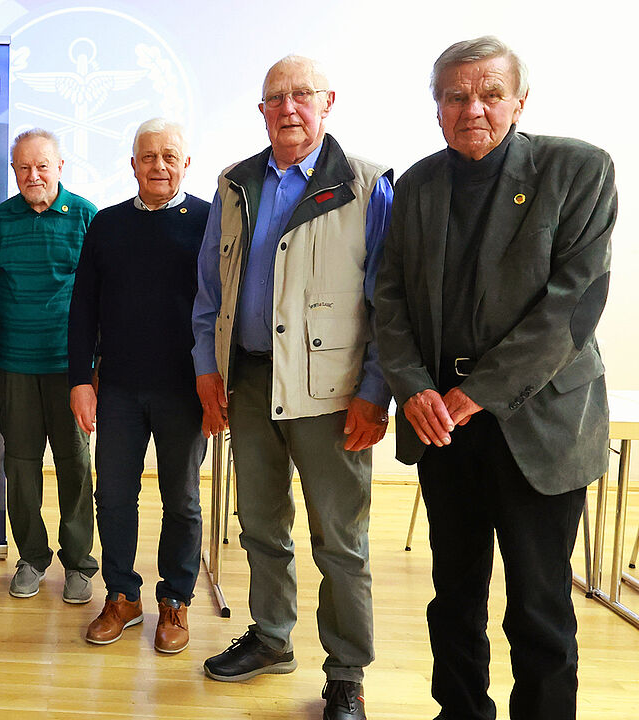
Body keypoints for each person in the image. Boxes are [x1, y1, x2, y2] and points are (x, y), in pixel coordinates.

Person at [375, 36, 615, 720]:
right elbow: (389, 299)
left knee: (538, 607)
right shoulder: (416, 185)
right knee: (454, 599)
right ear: (437, 106)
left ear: (520, 101)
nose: (472, 109)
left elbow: (572, 306)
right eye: (455, 96)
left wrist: (475, 393)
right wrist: (413, 386)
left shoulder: (578, 169)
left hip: (538, 425)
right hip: (441, 425)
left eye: (489, 94)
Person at [193, 56, 392, 720]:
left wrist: (375, 389)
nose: (288, 108)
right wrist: (206, 366)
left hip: (332, 393)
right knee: (259, 523)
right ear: (261, 111)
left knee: (339, 539)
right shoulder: (235, 184)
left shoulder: (365, 185)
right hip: (248, 383)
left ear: (328, 102)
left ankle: (347, 673)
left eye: (302, 94)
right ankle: (272, 638)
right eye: (275, 98)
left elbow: (388, 300)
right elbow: (210, 288)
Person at [67, 118, 208, 654]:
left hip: (185, 390)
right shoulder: (106, 225)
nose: (159, 166)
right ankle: (123, 596)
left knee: (183, 500)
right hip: (119, 388)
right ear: (132, 165)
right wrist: (80, 380)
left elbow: (224, 310)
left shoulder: (209, 222)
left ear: (186, 163)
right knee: (113, 497)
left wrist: (220, 386)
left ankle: (176, 600)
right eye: (148, 157)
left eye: (169, 156)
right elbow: (83, 309)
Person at [0, 129, 99, 603]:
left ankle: (79, 563)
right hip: (13, 366)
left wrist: (94, 371)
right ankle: (31, 557)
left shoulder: (86, 216)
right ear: (14, 171)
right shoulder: (0, 221)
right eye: (23, 167)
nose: (33, 175)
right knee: (21, 465)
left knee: (75, 465)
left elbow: (101, 299)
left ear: (60, 167)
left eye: (42, 165)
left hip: (70, 369)